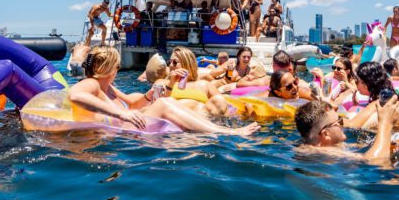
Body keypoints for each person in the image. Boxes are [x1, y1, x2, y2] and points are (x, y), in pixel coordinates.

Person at [68, 46, 258, 136]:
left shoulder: (108, 88)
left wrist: (147, 96)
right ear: (110, 67)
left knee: (164, 103)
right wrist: (121, 113)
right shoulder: (93, 83)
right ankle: (227, 132)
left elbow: (132, 103)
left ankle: (220, 130)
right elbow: (75, 95)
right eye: (117, 66)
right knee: (164, 103)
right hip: (121, 132)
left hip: (127, 132)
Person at [295, 96, 399, 164]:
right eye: (338, 122)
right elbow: (375, 161)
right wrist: (385, 124)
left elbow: (352, 150)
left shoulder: (326, 144)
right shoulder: (316, 151)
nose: (342, 125)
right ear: (326, 134)